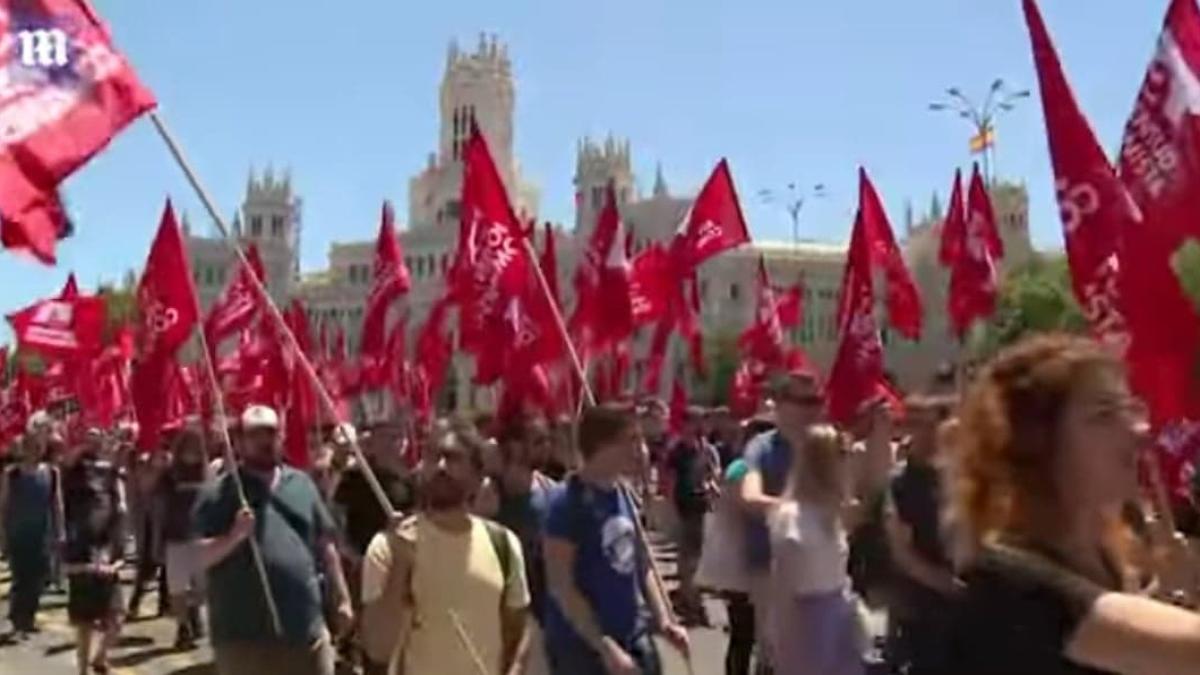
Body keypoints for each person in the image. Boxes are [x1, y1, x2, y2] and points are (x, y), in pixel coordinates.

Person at [944, 333, 1200, 674]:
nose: (1139, 430)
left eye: (1131, 409)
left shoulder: (1111, 562)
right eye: (1104, 414)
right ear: (1037, 443)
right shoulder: (1008, 580)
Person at [359, 423, 531, 675]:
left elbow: (518, 629)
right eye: (432, 457)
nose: (440, 467)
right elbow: (377, 649)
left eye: (452, 458)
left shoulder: (503, 544)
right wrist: (401, 566)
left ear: (477, 473)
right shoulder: (388, 547)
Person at [194, 405, 353, 675]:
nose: (263, 441)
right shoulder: (218, 493)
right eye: (254, 435)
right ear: (240, 442)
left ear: (281, 437)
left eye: (270, 433)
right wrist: (234, 537)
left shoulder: (301, 484)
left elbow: (325, 545)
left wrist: (342, 598)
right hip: (243, 641)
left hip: (305, 631)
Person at [543, 403, 689, 675]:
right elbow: (561, 585)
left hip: (631, 638)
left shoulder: (623, 493)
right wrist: (603, 645)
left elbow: (642, 564)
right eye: (632, 440)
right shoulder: (566, 502)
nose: (641, 450)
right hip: (582, 649)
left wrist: (664, 620)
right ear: (602, 445)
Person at [735, 370, 826, 671]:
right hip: (771, 567)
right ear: (781, 404)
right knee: (776, 654)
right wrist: (802, 510)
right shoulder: (761, 448)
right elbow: (750, 497)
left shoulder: (827, 446)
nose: (812, 409)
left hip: (820, 566)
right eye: (804, 401)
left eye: (817, 401)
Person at [768, 424, 874, 675]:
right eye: (841, 454)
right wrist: (777, 644)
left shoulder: (832, 513)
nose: (847, 461)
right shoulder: (792, 517)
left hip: (841, 622)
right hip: (807, 628)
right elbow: (783, 589)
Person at [883, 394, 960, 675]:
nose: (923, 432)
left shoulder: (955, 478)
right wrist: (946, 584)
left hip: (957, 613)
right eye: (915, 424)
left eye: (929, 424)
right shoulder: (899, 482)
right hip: (917, 608)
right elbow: (901, 552)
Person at [60, 429, 127, 675]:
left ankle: (100, 657)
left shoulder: (110, 470)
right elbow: (66, 461)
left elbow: (120, 501)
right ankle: (82, 670)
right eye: (90, 435)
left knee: (117, 616)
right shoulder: (74, 468)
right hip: (82, 546)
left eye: (99, 435)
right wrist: (83, 445)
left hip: (106, 546)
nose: (96, 439)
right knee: (85, 622)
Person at [0, 432, 60, 638]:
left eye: (38, 446)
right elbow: (4, 505)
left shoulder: (51, 472)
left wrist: (60, 531)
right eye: (30, 446)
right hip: (18, 532)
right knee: (21, 577)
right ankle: (18, 620)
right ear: (23, 449)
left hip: (42, 532)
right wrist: (3, 535)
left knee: (40, 577)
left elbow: (56, 503)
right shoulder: (12, 474)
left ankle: (29, 617)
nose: (34, 450)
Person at [666, 405, 719, 625]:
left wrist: (712, 485)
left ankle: (691, 599)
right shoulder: (677, 450)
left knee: (698, 557)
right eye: (695, 421)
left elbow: (714, 473)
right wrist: (670, 506)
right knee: (687, 556)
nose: (698, 426)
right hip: (684, 507)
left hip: (703, 506)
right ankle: (691, 601)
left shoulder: (706, 450)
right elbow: (668, 479)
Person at [158, 427, 210, 650]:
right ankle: (183, 628)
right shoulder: (170, 472)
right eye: (187, 444)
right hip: (176, 536)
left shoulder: (208, 472)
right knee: (177, 587)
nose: (192, 449)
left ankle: (192, 612)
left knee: (203, 589)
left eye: (196, 444)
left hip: (202, 537)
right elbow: (151, 491)